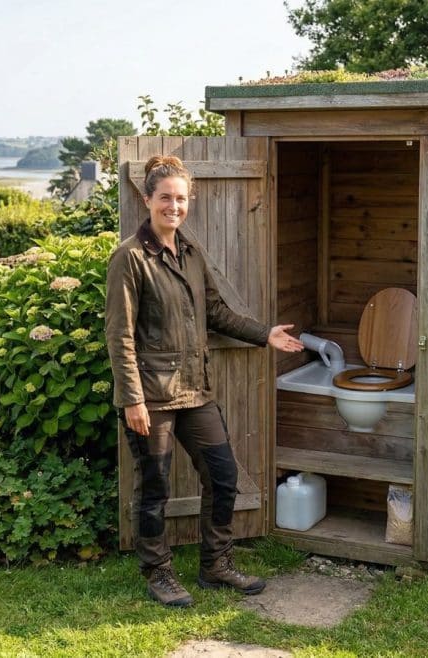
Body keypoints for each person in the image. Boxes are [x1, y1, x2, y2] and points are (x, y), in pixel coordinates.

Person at [105, 155, 303, 608]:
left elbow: (216, 312)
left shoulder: (190, 253)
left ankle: (216, 564)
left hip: (195, 390)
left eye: (181, 199)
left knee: (223, 475)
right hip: (150, 397)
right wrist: (132, 399)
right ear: (147, 200)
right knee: (154, 485)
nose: (174, 206)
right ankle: (158, 573)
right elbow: (119, 335)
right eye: (165, 198)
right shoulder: (130, 258)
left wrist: (264, 333)